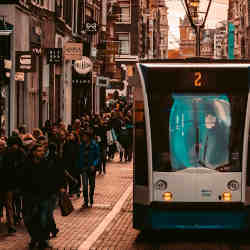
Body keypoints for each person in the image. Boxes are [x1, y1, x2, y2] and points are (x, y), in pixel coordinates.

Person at [76, 130, 100, 208]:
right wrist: (79, 166)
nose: (84, 138)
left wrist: (94, 165)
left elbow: (97, 157)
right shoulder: (81, 146)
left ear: (89, 137)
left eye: (85, 136)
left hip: (91, 168)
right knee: (85, 185)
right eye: (83, 136)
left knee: (92, 185)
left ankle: (91, 198)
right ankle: (86, 201)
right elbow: (79, 157)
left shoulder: (94, 145)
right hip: (84, 168)